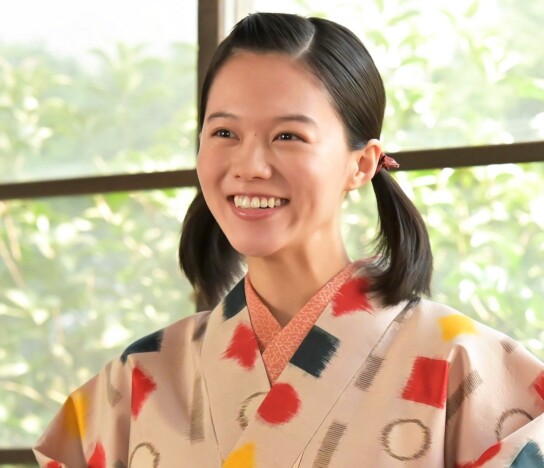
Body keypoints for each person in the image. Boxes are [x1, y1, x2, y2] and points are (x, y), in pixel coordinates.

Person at [34, 12, 544, 467]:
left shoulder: (463, 368)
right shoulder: (138, 379)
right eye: (224, 133)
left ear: (361, 164)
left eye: (288, 136)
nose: (250, 166)